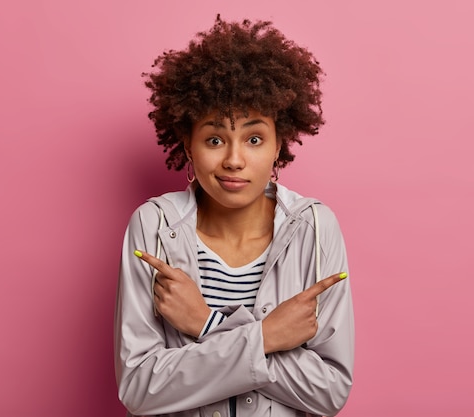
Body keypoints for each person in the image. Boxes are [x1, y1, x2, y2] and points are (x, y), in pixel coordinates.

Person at [115, 15, 354, 417]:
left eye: (254, 138)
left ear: (280, 145)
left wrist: (208, 325)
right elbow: (139, 387)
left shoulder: (314, 228)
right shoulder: (153, 227)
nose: (234, 160)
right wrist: (267, 337)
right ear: (188, 145)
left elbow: (329, 392)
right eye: (214, 139)